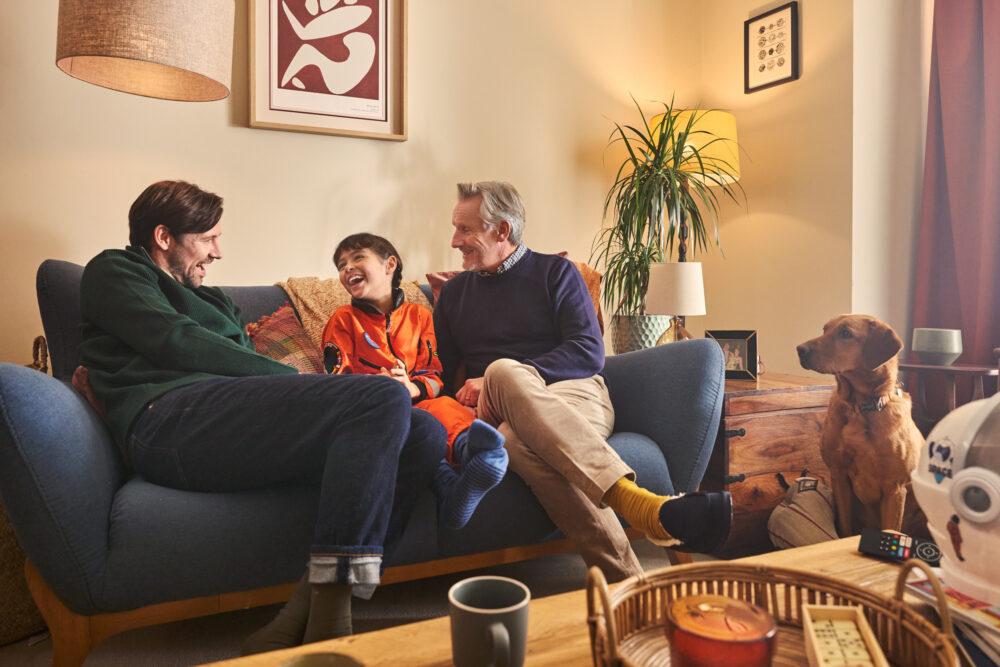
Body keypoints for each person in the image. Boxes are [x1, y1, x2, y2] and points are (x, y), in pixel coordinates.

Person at [78, 180, 445, 655]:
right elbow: (176, 341)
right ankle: (333, 622)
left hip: (237, 424)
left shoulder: (217, 302)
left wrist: (309, 393)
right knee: (379, 396)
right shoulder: (115, 270)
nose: (219, 252)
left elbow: (250, 383)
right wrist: (313, 385)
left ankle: (304, 607)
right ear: (164, 237)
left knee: (424, 432)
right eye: (208, 238)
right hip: (169, 422)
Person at [433, 181, 732, 582]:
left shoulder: (555, 272)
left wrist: (513, 375)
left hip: (573, 390)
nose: (455, 241)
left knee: (513, 434)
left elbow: (588, 351)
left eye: (465, 230)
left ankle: (628, 582)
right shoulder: (452, 295)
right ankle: (641, 505)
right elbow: (442, 372)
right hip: (495, 403)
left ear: (501, 230)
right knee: (502, 384)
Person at [322, 233, 508, 530]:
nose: (347, 268)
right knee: (411, 424)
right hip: (373, 408)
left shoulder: (420, 316)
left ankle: (473, 455)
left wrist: (411, 387)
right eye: (341, 264)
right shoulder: (343, 320)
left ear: (389, 265)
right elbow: (335, 379)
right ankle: (451, 484)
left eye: (357, 258)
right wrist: (379, 388)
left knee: (443, 406)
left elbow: (434, 374)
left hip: (419, 398)